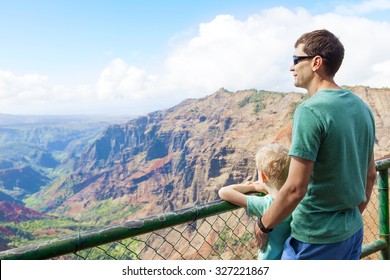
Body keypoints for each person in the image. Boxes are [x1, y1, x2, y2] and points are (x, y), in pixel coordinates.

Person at [254, 29, 377, 260]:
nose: (291, 67)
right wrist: (348, 220)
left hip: (315, 239)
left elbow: (295, 189)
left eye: (295, 60)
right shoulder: (362, 108)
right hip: (352, 232)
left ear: (316, 62)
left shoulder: (310, 110)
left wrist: (263, 224)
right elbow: (370, 175)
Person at [219, 143, 291, 259]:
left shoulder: (266, 204)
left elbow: (224, 192)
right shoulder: (296, 200)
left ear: (263, 177)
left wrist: (251, 187)